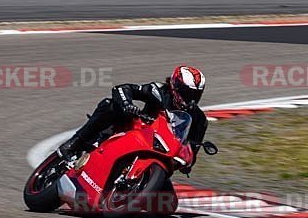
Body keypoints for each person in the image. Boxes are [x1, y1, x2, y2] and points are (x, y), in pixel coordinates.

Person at [57, 66, 208, 172]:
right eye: (188, 93)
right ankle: (72, 145)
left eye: (196, 95)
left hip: (162, 153)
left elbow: (192, 154)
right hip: (138, 131)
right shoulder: (158, 91)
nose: (191, 99)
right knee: (109, 105)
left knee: (166, 203)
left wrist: (185, 162)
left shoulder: (199, 119)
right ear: (175, 86)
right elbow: (122, 89)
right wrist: (127, 104)